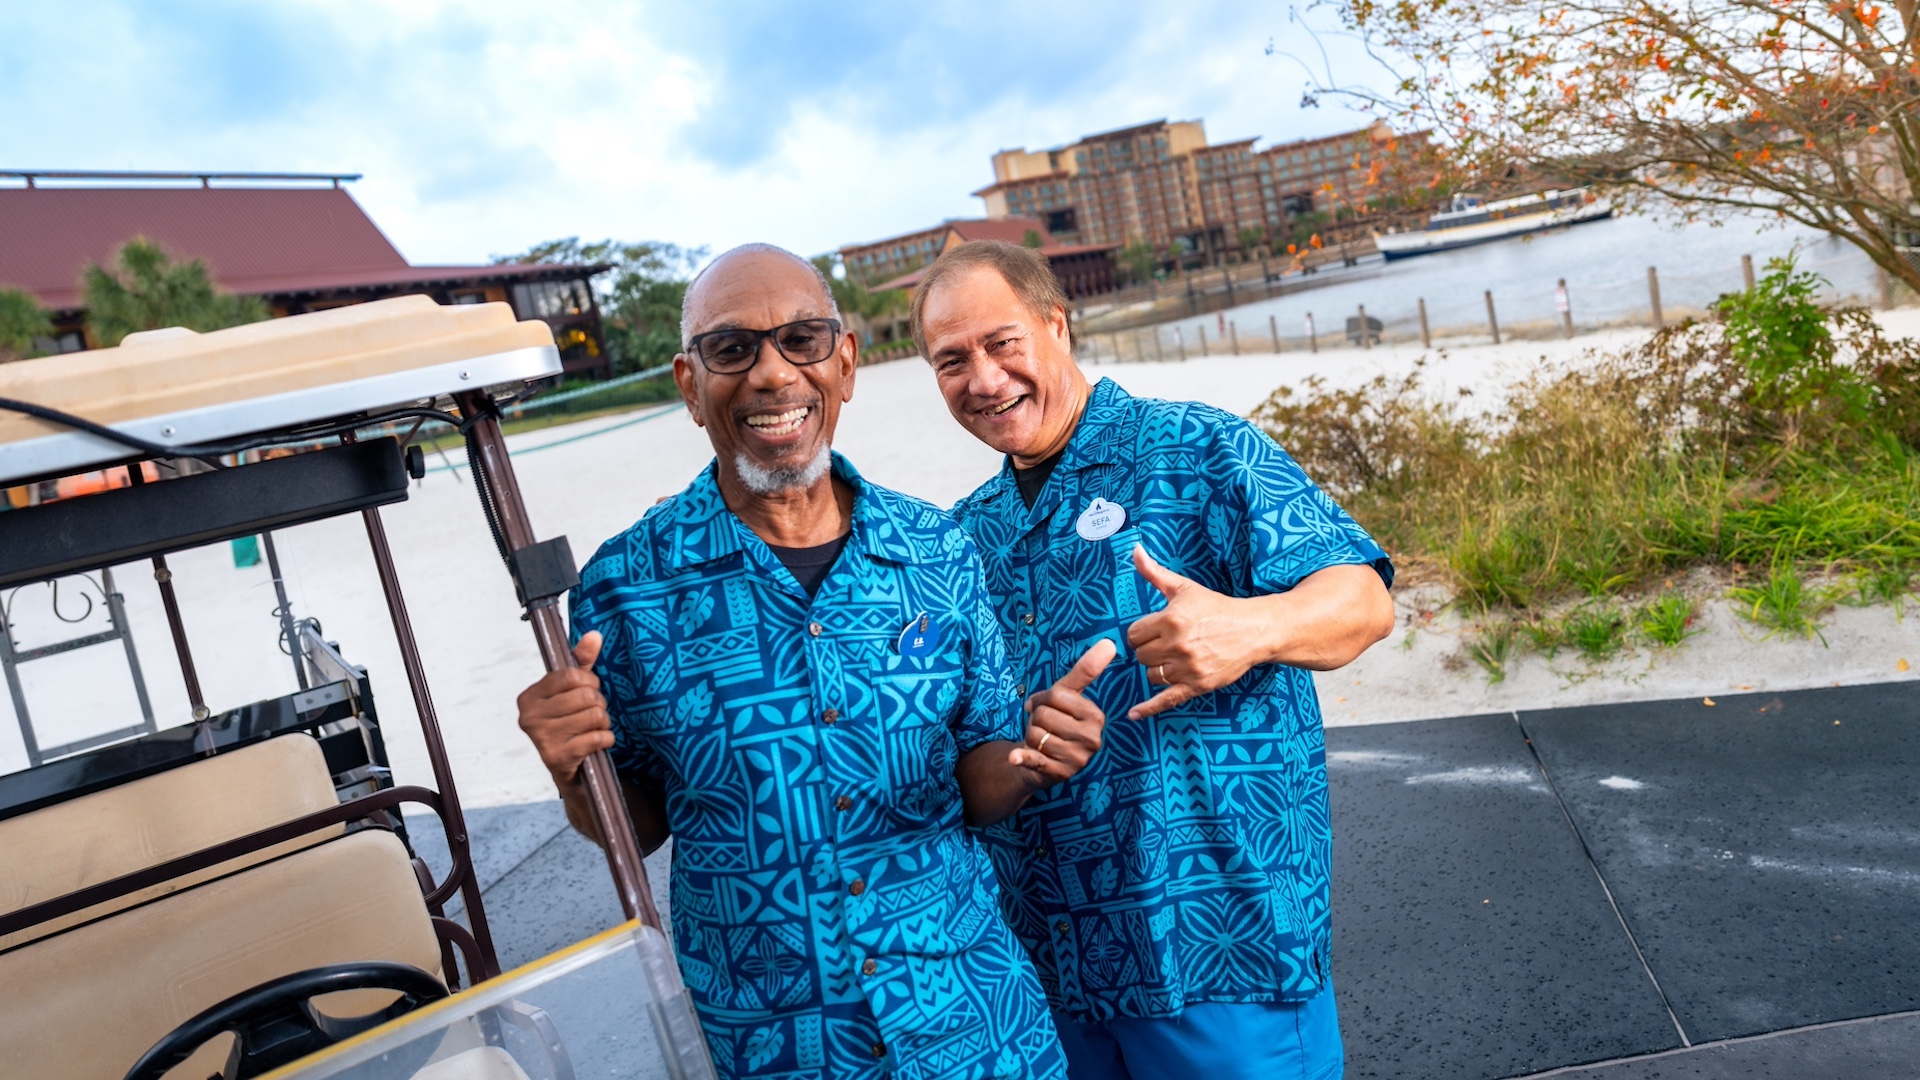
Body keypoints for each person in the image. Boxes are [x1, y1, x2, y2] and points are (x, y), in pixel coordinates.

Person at [515, 244, 1117, 1080]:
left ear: (845, 365)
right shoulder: (626, 587)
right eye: (732, 350)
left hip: (974, 1021)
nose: (771, 374)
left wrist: (1028, 759)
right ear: (691, 385)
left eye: (801, 339)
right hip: (778, 1045)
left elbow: (978, 776)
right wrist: (572, 767)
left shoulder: (936, 549)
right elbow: (637, 826)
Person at [910, 241, 1397, 1080]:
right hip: (1048, 965)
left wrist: (1253, 628)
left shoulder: (1198, 448)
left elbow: (1363, 602)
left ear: (1056, 325)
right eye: (951, 361)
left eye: (1003, 343)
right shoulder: (963, 534)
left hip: (1218, 948)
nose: (983, 379)